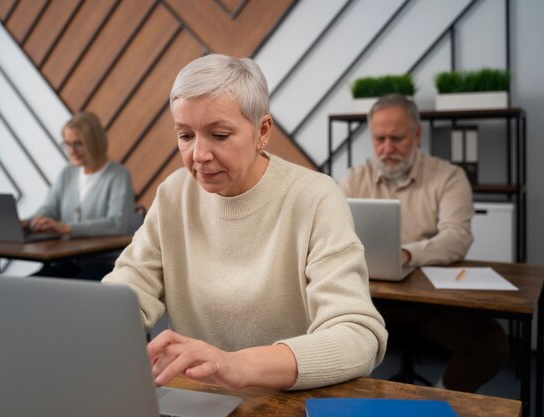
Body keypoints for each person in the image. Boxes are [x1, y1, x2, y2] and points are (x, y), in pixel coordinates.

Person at [102, 54, 387, 391]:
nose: (199, 155)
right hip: (198, 401)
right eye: (185, 136)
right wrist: (92, 326)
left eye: (219, 135)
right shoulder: (174, 194)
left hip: (285, 401)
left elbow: (358, 337)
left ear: (261, 131)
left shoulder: (315, 197)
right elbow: (127, 291)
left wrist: (235, 364)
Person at [338, 94, 509, 393]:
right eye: (379, 139)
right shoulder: (354, 179)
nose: (387, 148)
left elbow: (457, 237)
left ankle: (438, 401)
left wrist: (406, 253)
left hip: (428, 303)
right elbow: (332, 233)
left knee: (491, 343)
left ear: (417, 135)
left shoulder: (449, 177)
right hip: (367, 296)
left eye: (397, 138)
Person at [25, 111, 135, 279]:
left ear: (95, 143)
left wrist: (67, 228)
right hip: (69, 259)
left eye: (78, 144)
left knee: (68, 292)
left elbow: (117, 224)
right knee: (30, 284)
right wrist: (26, 223)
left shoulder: (119, 176)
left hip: (105, 263)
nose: (72, 151)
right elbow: (49, 209)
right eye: (67, 144)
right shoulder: (67, 173)